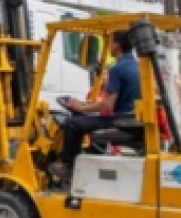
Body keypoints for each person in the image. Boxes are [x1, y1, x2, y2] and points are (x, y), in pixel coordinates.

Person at [49, 29, 142, 179]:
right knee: (88, 120)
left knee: (73, 123)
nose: (109, 45)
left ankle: (69, 168)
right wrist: (88, 106)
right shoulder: (138, 66)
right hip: (133, 119)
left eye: (110, 41)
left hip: (120, 120)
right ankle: (90, 159)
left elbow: (107, 105)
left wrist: (80, 107)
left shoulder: (117, 69)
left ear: (117, 45)